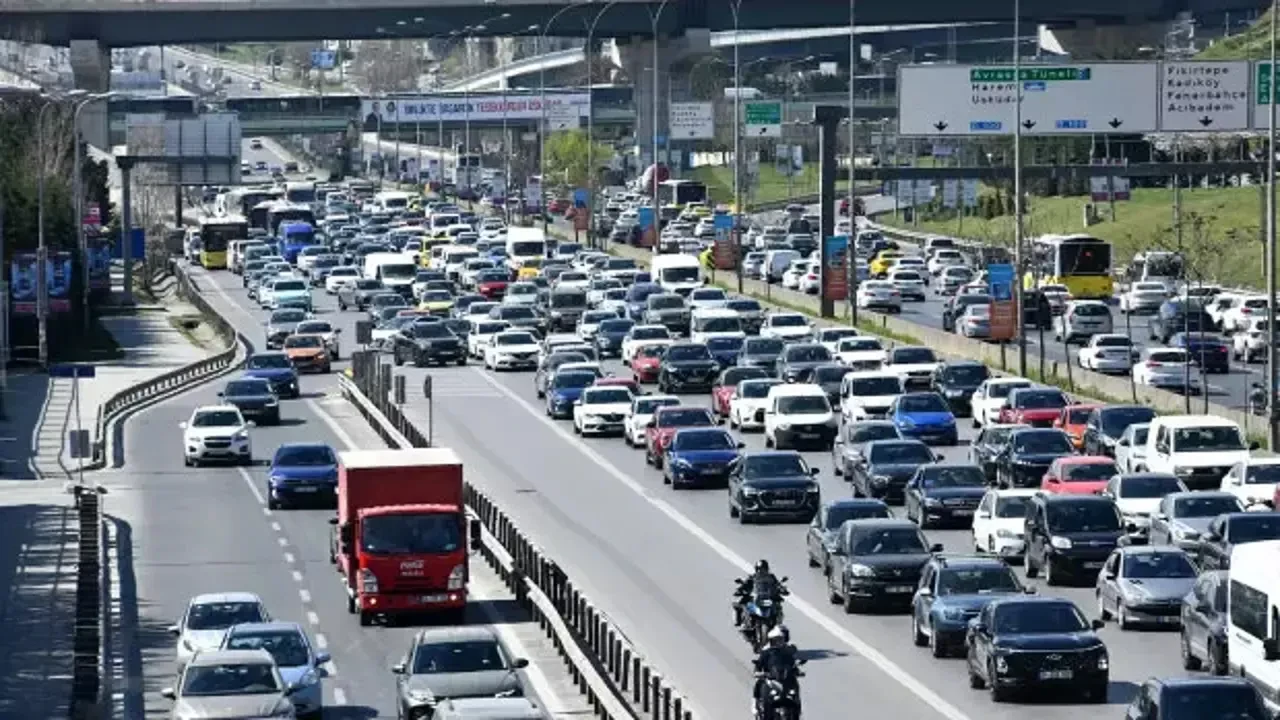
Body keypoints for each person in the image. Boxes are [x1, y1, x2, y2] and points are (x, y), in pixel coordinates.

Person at [753, 625, 801, 718]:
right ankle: (755, 704)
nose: (778, 642)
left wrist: (797, 671)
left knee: (794, 686)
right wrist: (759, 672)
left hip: (785, 678)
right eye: (776, 640)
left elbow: (793, 664)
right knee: (760, 684)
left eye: (780, 640)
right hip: (771, 678)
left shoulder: (787, 652)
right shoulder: (766, 652)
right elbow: (759, 665)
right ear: (772, 641)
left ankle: (797, 709)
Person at [734, 560, 782, 628]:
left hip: (768, 596)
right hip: (756, 596)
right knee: (739, 603)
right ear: (756, 569)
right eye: (759, 569)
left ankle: (777, 623)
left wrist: (782, 589)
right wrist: (740, 589)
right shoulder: (753, 576)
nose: (761, 571)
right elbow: (746, 583)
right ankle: (740, 621)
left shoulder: (771, 577)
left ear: (767, 569)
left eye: (763, 569)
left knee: (778, 606)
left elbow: (777, 584)